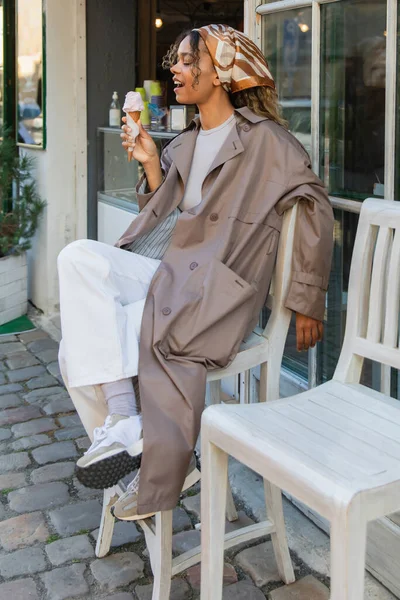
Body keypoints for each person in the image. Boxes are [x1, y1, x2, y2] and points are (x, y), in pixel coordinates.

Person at [58, 24, 334, 522]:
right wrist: (150, 166)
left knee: (99, 338)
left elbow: (315, 206)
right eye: (177, 61)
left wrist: (306, 299)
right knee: (77, 264)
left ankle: (138, 448)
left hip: (211, 290)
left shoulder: (266, 142)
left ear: (222, 72)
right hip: (165, 272)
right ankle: (126, 428)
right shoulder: (184, 143)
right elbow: (168, 221)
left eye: (188, 61)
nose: (175, 70)